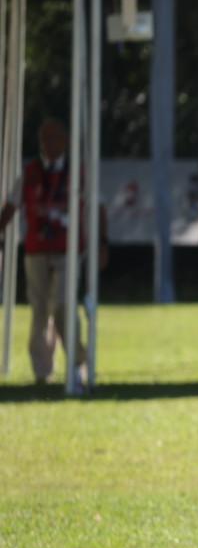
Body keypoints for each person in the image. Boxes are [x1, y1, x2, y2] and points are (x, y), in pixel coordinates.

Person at [0, 117, 107, 385]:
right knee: (39, 310)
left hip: (68, 250)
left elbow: (98, 208)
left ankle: (78, 361)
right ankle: (42, 372)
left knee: (62, 305)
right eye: (43, 139)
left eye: (53, 138)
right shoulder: (30, 172)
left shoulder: (79, 172)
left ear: (66, 141)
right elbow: (11, 207)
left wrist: (102, 242)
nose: (47, 144)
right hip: (36, 250)